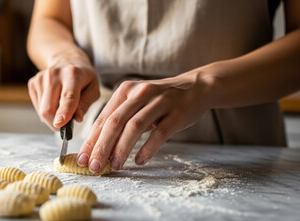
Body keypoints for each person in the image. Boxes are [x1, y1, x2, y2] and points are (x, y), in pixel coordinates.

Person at [26, 0, 300, 173]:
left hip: (239, 144)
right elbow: (50, 19)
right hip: (94, 131)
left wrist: (203, 84)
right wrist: (65, 57)